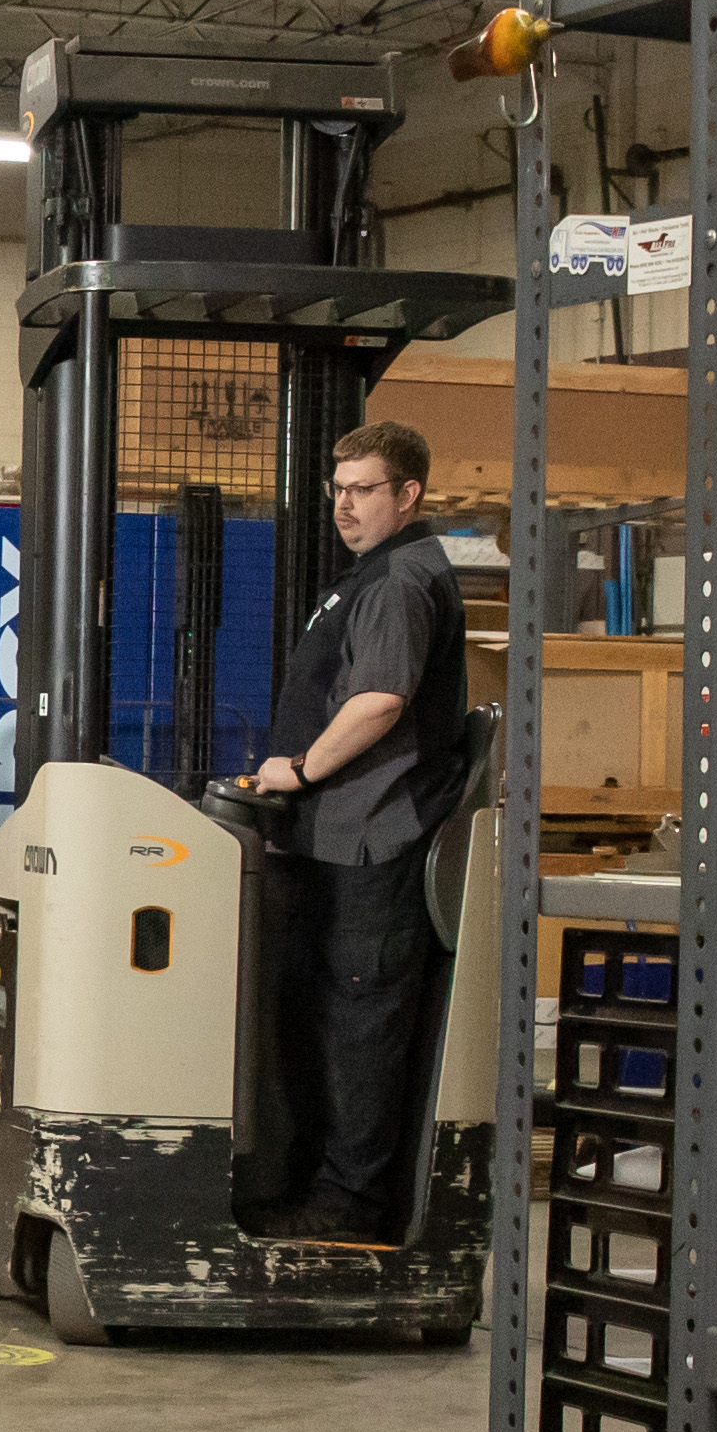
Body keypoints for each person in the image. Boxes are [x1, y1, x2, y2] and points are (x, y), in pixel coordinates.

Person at [238, 416, 476, 1243]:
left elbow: (379, 701)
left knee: (359, 1028)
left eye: (362, 490)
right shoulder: (372, 575)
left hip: (375, 842)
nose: (344, 507)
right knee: (326, 1023)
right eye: (337, 490)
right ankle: (311, 1189)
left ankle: (349, 1210)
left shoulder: (402, 582)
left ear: (408, 494)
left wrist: (299, 771)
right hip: (336, 840)